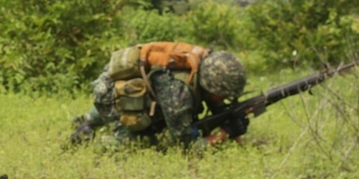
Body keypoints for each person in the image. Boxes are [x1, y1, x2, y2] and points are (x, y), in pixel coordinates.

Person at [70, 41, 248, 149]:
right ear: (211, 86)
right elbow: (187, 147)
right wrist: (226, 133)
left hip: (118, 88)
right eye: (223, 94)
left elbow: (217, 107)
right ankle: (89, 139)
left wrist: (231, 119)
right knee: (140, 144)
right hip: (110, 93)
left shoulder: (201, 68)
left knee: (133, 101)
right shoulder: (179, 94)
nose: (225, 99)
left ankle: (87, 120)